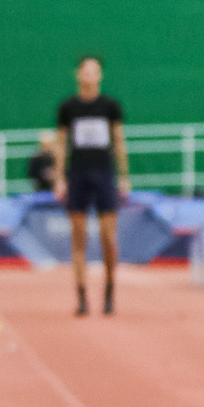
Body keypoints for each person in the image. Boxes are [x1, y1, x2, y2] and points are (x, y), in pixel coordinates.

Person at [52, 56, 127, 317]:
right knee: (79, 237)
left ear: (100, 76)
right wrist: (59, 178)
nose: (89, 75)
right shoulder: (68, 107)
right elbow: (61, 144)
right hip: (78, 175)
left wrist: (124, 176)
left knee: (108, 237)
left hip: (104, 175)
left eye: (94, 71)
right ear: (78, 74)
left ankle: (109, 291)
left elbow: (119, 141)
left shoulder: (110, 106)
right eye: (85, 70)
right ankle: (82, 295)